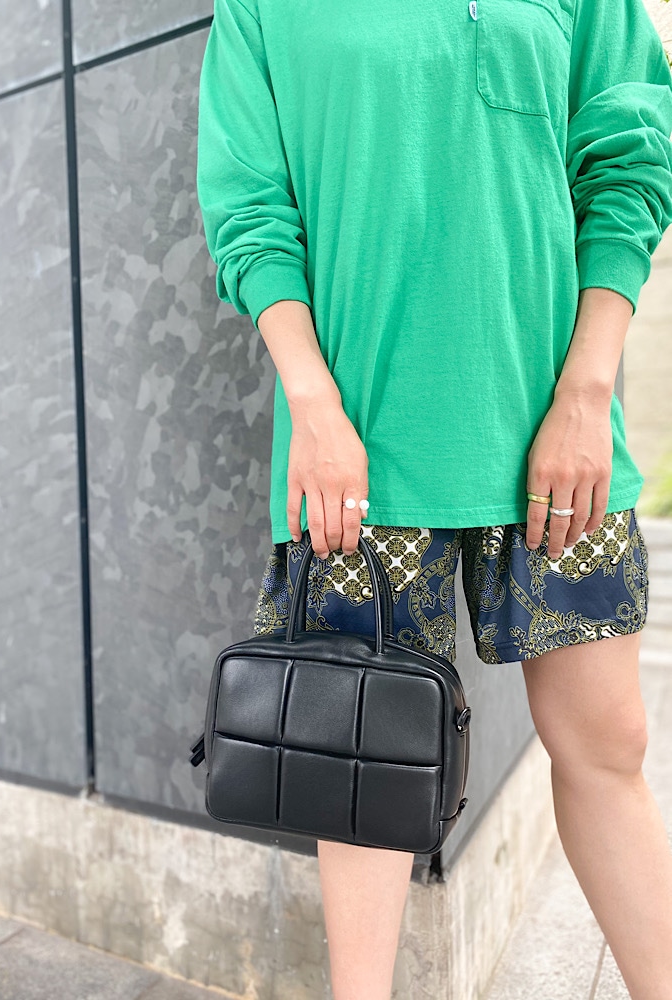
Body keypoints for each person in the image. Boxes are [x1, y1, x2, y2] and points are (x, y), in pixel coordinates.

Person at [195, 0, 672, 996]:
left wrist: (589, 392)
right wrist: (312, 405)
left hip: (557, 437)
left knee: (610, 746)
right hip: (357, 456)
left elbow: (630, 159)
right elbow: (249, 206)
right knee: (359, 761)